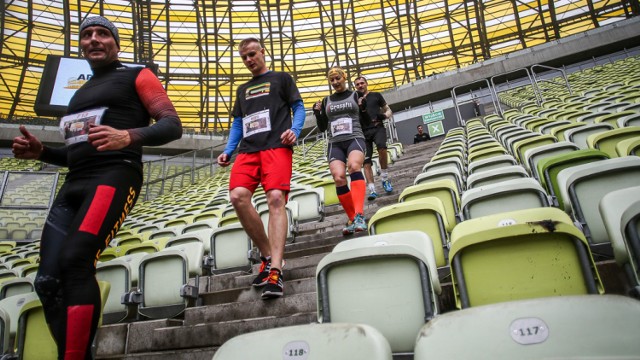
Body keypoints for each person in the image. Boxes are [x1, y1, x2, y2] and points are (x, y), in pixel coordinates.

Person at [11, 16, 182, 360]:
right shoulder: (79, 95)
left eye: (103, 33)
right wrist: (43, 152)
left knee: (76, 259)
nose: (93, 39)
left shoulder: (137, 74)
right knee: (45, 280)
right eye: (86, 34)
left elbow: (171, 124)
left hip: (115, 177)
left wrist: (129, 136)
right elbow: (79, 152)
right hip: (75, 182)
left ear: (116, 43)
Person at [216, 37, 305, 300]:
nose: (249, 60)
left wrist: (295, 130)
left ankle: (275, 269)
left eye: (252, 54)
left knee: (276, 198)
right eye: (244, 57)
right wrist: (228, 150)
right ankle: (267, 255)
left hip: (276, 146)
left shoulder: (281, 78)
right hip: (248, 150)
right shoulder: (242, 89)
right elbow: (237, 123)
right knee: (237, 196)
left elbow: (298, 107)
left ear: (263, 52)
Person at [314, 67, 370, 236]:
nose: (335, 82)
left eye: (338, 78)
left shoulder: (356, 95)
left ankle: (360, 215)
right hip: (335, 143)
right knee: (338, 177)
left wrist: (365, 108)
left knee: (353, 166)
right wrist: (317, 113)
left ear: (344, 78)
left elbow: (367, 121)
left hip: (355, 138)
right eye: (332, 80)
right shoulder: (326, 101)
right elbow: (323, 127)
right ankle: (352, 218)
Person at [353, 76, 393, 201]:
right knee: (366, 161)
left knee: (382, 148)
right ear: (355, 87)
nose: (360, 85)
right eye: (358, 84)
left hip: (377, 127)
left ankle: (385, 178)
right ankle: (372, 190)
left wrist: (385, 116)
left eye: (362, 83)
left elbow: (388, 109)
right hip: (362, 132)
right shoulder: (354, 100)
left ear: (366, 84)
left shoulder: (376, 95)